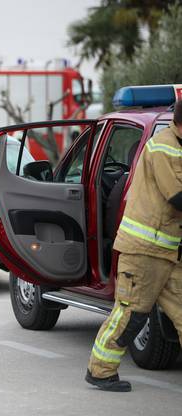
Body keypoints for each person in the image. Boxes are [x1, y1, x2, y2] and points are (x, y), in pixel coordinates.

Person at [85, 100, 182, 392]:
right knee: (130, 314)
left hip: (168, 252)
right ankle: (100, 371)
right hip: (144, 252)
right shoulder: (164, 148)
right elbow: (177, 197)